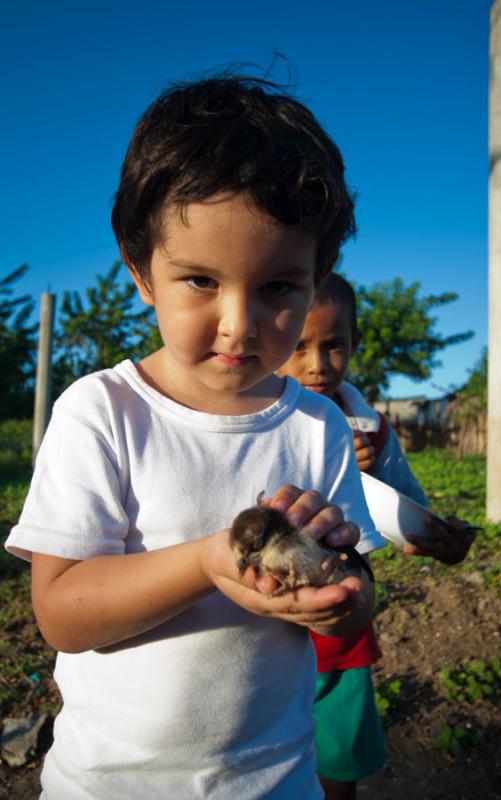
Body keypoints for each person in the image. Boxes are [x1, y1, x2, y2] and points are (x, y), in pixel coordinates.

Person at [5, 77, 388, 800]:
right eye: (201, 280)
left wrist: (339, 596)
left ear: (316, 280)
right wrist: (208, 563)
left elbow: (359, 589)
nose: (240, 323)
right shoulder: (104, 412)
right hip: (108, 787)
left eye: (277, 287)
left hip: (276, 782)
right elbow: (61, 613)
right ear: (140, 269)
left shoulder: (318, 424)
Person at [278, 272, 477, 800]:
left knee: (338, 759)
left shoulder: (370, 428)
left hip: (342, 627)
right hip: (265, 633)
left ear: (354, 344)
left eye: (333, 345)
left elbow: (409, 509)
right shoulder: (253, 416)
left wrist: (374, 481)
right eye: (298, 345)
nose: (317, 364)